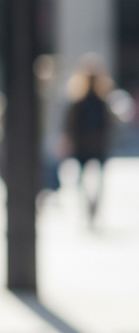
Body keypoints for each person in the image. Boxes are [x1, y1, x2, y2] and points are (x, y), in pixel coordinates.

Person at [62, 55, 115, 228]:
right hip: (92, 144)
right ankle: (91, 207)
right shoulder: (97, 102)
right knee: (94, 179)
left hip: (88, 144)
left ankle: (89, 207)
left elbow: (71, 125)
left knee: (86, 179)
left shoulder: (86, 102)